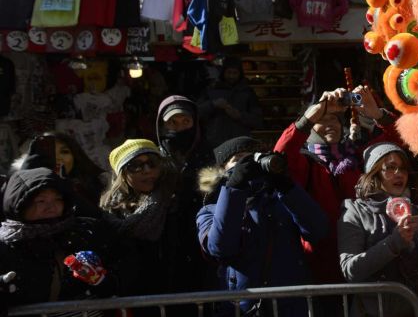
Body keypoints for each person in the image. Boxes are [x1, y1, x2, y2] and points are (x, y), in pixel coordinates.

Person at [273, 86, 400, 293]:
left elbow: (397, 142)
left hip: (364, 256)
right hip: (321, 259)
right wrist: (308, 117)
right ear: (310, 130)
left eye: (334, 120)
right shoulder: (306, 163)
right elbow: (280, 155)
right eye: (321, 122)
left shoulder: (358, 157)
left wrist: (376, 113)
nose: (330, 125)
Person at [197, 136, 328, 317]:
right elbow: (220, 248)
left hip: (293, 305)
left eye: (253, 158)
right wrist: (234, 188)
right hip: (244, 308)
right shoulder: (210, 209)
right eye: (239, 159)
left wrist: (287, 187)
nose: (249, 165)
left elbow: (318, 230)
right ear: (222, 169)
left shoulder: (282, 199)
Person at [0, 163, 133, 312]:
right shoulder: (6, 245)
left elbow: (126, 270)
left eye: (57, 199)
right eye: (41, 201)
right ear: (19, 205)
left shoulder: (87, 230)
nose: (51, 206)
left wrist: (103, 280)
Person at [338, 142, 418, 317]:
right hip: (372, 311)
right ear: (375, 173)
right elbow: (350, 270)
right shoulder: (355, 212)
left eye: (403, 169)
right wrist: (393, 244)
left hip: (413, 309)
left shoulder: (412, 210)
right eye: (390, 168)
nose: (399, 174)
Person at [100, 139, 177, 299]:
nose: (147, 170)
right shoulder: (109, 212)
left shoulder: (175, 202)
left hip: (174, 294)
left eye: (153, 163)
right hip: (130, 297)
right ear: (122, 173)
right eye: (136, 165)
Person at [156, 95, 216, 297]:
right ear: (162, 126)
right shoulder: (153, 159)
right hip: (163, 241)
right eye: (173, 122)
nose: (180, 128)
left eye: (186, 122)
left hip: (200, 234)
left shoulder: (209, 155)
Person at [11, 132, 109, 218]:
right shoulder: (17, 187)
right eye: (50, 153)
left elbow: (102, 219)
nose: (57, 158)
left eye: (64, 152)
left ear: (75, 156)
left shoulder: (98, 184)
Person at [198, 57, 264, 148]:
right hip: (215, 142)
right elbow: (197, 112)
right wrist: (213, 104)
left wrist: (240, 116)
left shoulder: (247, 92)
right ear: (223, 73)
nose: (231, 76)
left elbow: (258, 120)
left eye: (235, 73)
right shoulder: (211, 90)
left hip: (240, 143)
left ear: (240, 74)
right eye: (229, 72)